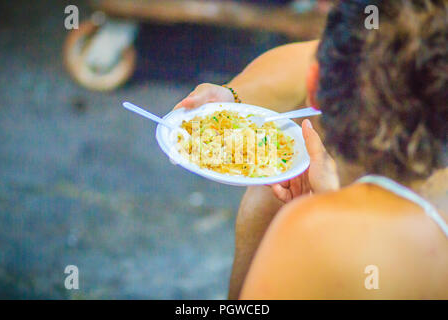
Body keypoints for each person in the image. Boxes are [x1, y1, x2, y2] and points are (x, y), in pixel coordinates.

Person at [173, 0, 447, 299]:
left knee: (268, 197)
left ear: (314, 85)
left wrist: (330, 218)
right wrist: (230, 97)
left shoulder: (309, 230)